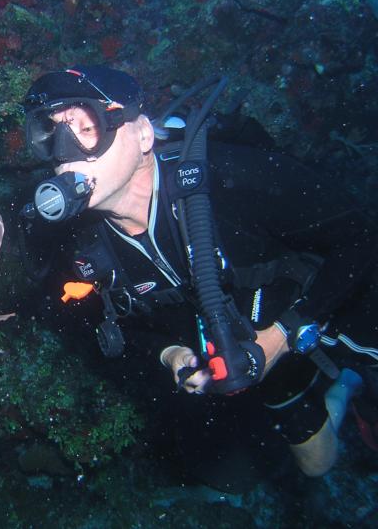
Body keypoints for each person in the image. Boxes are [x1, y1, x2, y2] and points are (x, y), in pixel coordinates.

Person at [20, 64, 378, 477]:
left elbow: (361, 237)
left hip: (330, 301)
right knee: (318, 464)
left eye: (86, 129)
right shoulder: (84, 248)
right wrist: (171, 353)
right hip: (248, 351)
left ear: (142, 135)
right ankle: (346, 387)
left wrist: (283, 334)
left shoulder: (232, 177)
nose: (65, 153)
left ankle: (354, 375)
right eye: (50, 133)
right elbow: (110, 320)